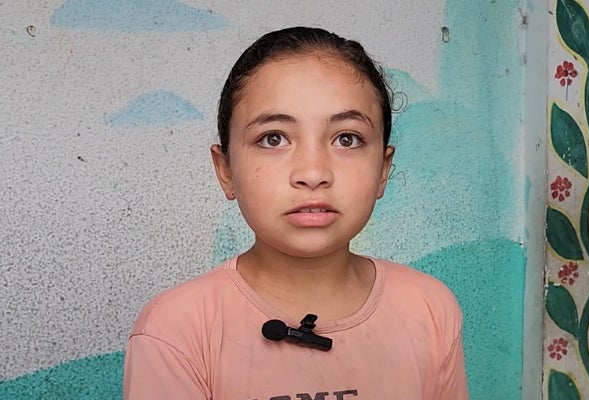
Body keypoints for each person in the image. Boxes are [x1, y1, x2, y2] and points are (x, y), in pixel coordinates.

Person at [122, 26, 468, 400]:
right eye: (274, 138)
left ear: (383, 170)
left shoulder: (430, 310)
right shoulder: (176, 331)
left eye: (346, 139)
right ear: (226, 171)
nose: (313, 173)